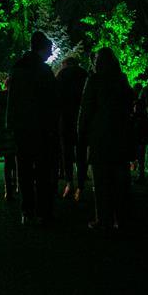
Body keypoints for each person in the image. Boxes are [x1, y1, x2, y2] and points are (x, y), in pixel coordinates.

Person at [78, 48, 135, 232]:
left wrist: (82, 132)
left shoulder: (95, 80)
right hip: (121, 135)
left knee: (102, 181)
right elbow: (129, 104)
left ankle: (104, 219)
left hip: (100, 136)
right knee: (120, 181)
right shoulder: (122, 80)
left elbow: (86, 108)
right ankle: (123, 218)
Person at [6, 31, 58, 226]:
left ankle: (27, 210)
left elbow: (12, 99)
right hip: (41, 127)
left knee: (25, 170)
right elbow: (53, 101)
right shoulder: (44, 71)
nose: (50, 53)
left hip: (22, 127)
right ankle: (44, 211)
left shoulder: (18, 69)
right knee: (43, 170)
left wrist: (10, 123)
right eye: (49, 49)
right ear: (42, 48)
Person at [56, 56, 88, 200]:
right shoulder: (84, 74)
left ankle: (70, 183)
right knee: (81, 151)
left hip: (65, 118)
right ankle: (81, 185)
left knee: (67, 152)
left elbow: (55, 95)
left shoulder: (62, 75)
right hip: (81, 117)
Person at [0, 80, 17, 200]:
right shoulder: (21, 96)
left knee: (8, 162)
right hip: (18, 132)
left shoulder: (0, 97)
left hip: (4, 132)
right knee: (19, 161)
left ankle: (8, 189)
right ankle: (17, 185)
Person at [131, 84, 148, 184]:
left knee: (139, 157)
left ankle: (140, 175)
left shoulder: (137, 117)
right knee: (140, 157)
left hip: (139, 139)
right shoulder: (143, 117)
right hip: (140, 139)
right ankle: (140, 174)